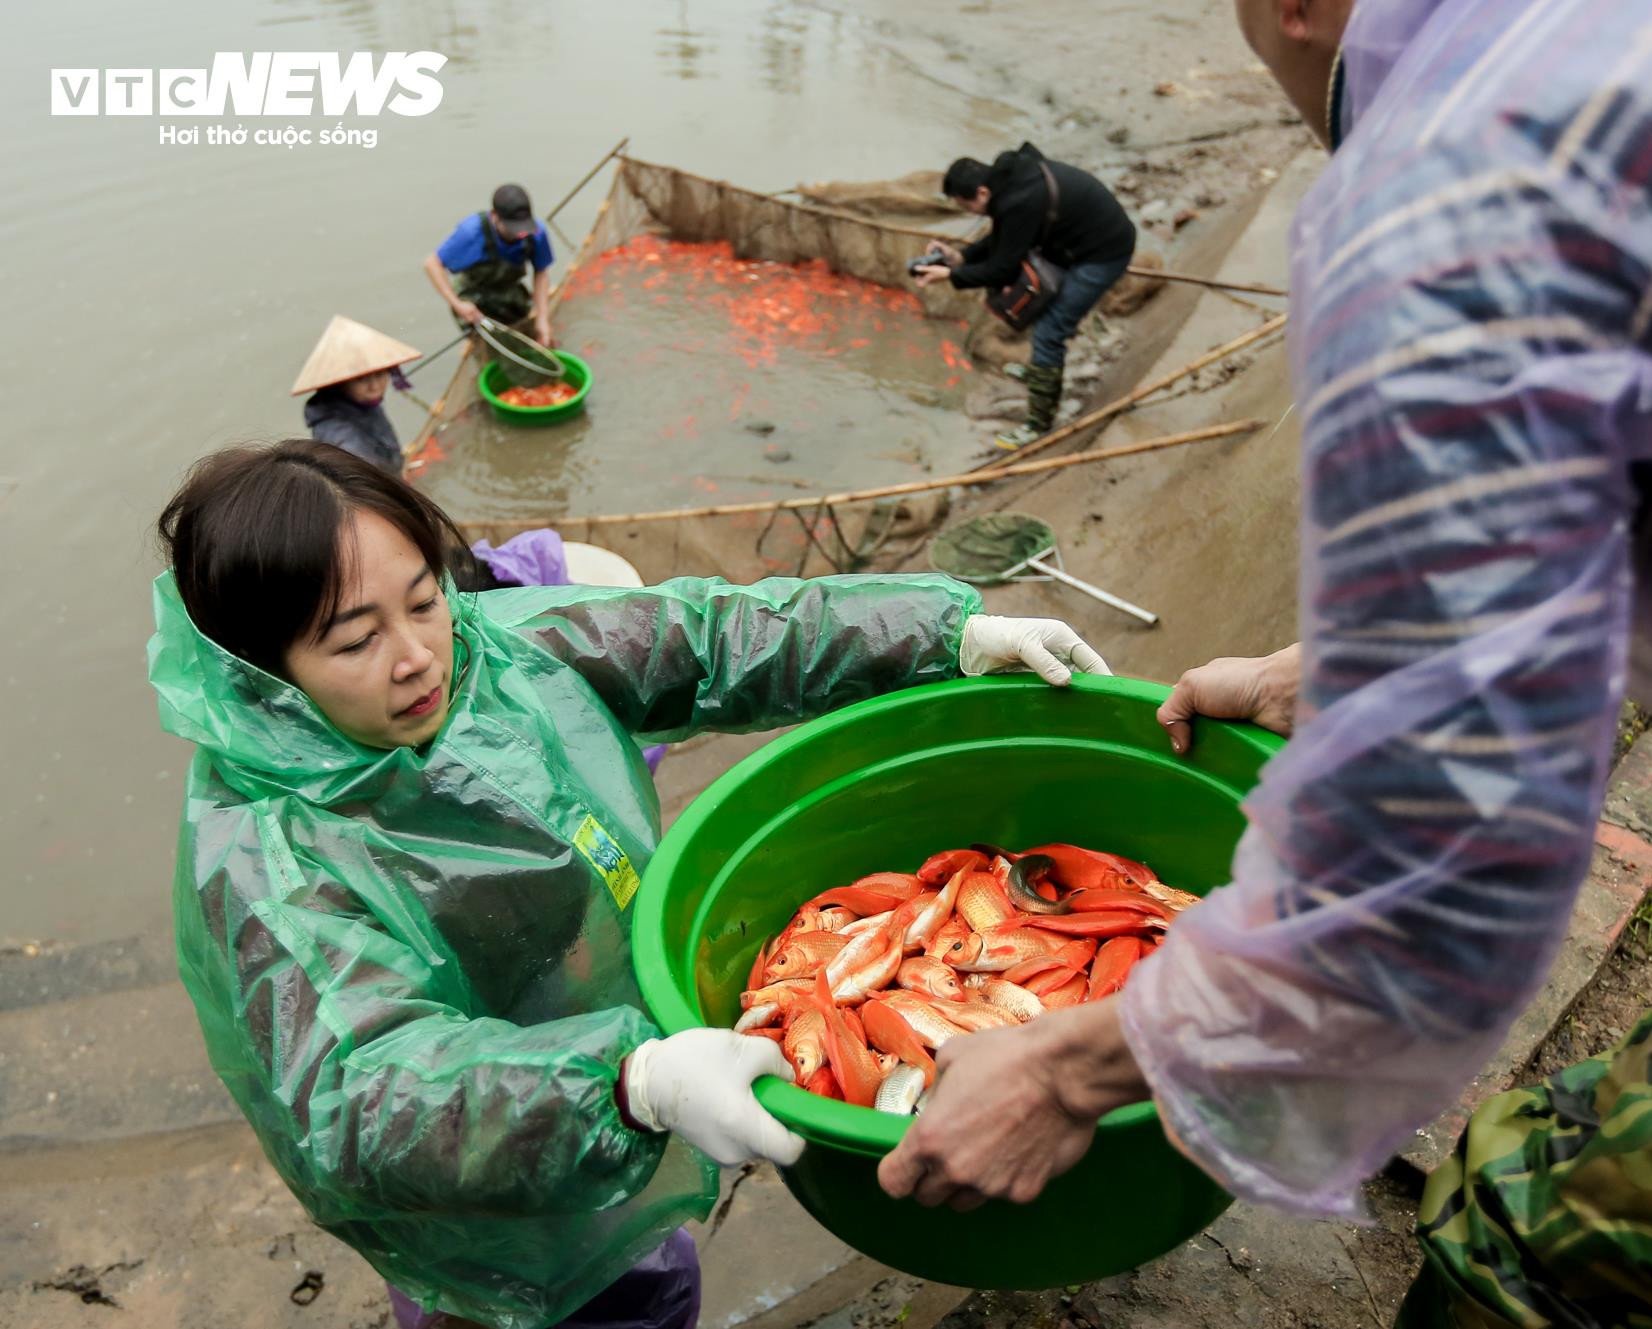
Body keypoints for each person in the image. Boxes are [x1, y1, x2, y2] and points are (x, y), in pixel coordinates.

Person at [880, 1, 1652, 1323]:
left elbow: (1432, 893)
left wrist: (1062, 1072)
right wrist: (1346, 670)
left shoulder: (1456, 185)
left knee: (1536, 1233)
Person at [149, 440, 1110, 1329]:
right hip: (481, 1186)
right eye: (354, 640)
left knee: (654, 1274)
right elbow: (364, 1095)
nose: (417, 657)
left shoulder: (496, 652)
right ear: (262, 672)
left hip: (622, 1063)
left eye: (424, 597)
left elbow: (705, 638)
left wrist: (943, 633)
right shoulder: (272, 859)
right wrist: (621, 1082)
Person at [913, 144, 1136, 449]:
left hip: (1103, 253)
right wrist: (960, 258)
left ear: (981, 193)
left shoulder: (1018, 201)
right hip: (1076, 242)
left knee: (1049, 330)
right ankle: (1041, 374)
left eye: (967, 207)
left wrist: (951, 275)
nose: (970, 214)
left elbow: (1002, 270)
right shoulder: (1008, 183)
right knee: (1043, 310)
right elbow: (1003, 238)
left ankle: (1038, 425)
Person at [424, 183, 555, 346]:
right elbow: (432, 264)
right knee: (490, 348)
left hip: (509, 291)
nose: (520, 234)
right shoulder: (471, 233)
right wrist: (457, 305)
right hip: (474, 298)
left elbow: (541, 272)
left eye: (523, 228)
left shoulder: (536, 233)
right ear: (494, 216)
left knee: (530, 339)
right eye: (513, 229)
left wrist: (542, 318)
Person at [293, 315, 420, 474]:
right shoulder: (344, 439)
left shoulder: (363, 401)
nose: (375, 387)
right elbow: (366, 483)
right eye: (361, 379)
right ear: (340, 383)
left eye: (380, 374)